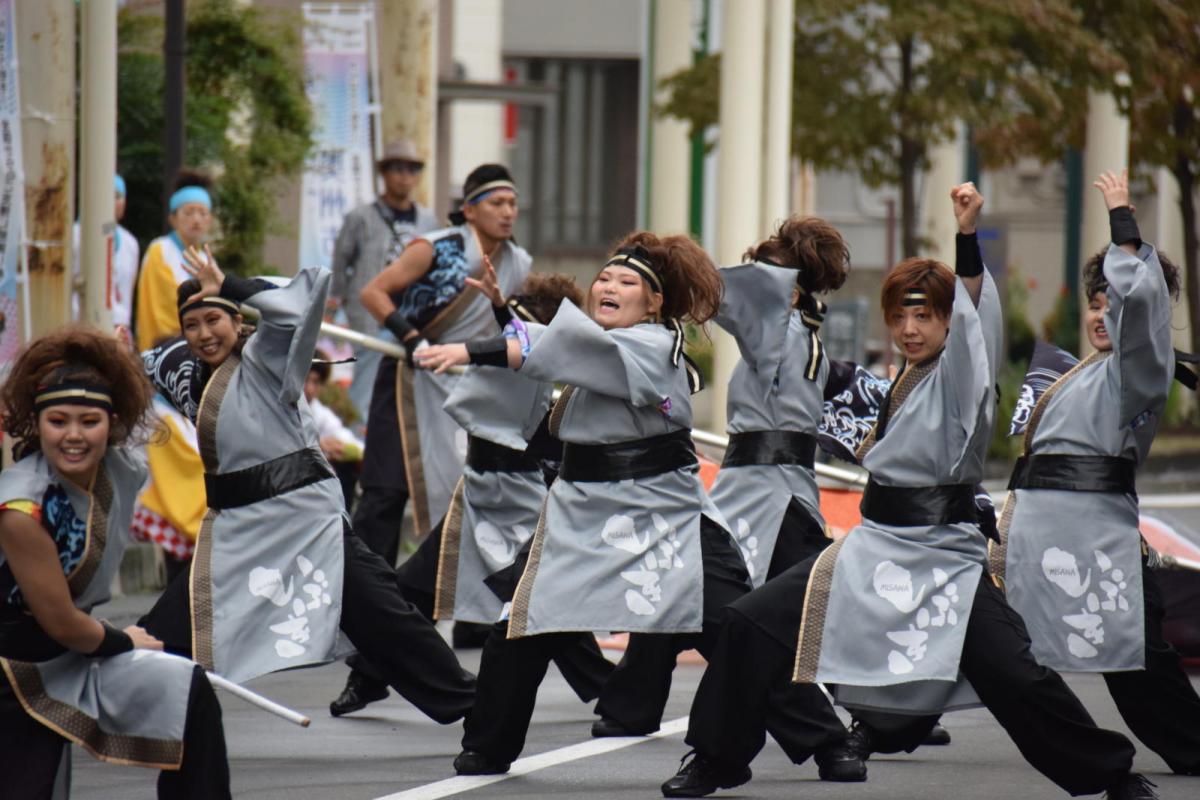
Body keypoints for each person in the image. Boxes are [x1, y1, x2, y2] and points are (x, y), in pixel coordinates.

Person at [660, 183, 1158, 800]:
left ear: (952, 321)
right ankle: (718, 758)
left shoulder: (960, 372)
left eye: (925, 315)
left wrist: (967, 238)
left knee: (1019, 679)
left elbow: (977, 319)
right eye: (899, 315)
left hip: (944, 555)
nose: (909, 328)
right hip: (875, 546)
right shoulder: (909, 375)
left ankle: (1112, 772)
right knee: (748, 622)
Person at [416, 232, 850, 779]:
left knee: (731, 626)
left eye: (628, 282)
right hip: (581, 511)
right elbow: (549, 344)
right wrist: (502, 310)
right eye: (604, 278)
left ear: (656, 304)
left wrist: (468, 349)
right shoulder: (596, 344)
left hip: (664, 513)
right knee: (519, 627)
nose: (608, 286)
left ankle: (827, 738)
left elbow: (547, 350)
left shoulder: (652, 345)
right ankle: (488, 743)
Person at [136, 245, 476, 726]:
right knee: (171, 624)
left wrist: (229, 283)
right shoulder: (185, 371)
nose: (204, 334)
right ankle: (125, 702)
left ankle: (473, 704)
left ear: (239, 322)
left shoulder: (268, 356)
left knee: (385, 616)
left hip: (304, 520)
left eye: (215, 319)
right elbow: (141, 363)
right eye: (192, 325)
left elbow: (300, 299)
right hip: (239, 531)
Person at [589, 216, 864, 782]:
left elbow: (725, 291)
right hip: (756, 490)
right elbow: (717, 290)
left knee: (761, 615)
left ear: (789, 284)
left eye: (769, 272)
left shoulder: (794, 325)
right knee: (723, 610)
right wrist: (654, 265)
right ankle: (633, 705)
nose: (756, 281)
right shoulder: (775, 324)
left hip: (784, 491)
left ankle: (881, 714)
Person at [991, 169, 1200, 776]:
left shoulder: (1138, 372)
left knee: (1135, 657)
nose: (1103, 315)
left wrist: (1123, 225)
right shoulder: (1077, 372)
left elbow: (1142, 316)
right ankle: (883, 721)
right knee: (986, 639)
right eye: (1095, 304)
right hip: (1038, 530)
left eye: (1116, 303)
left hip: (1093, 533)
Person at [335, 273, 614, 719]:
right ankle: (369, 675)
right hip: (479, 489)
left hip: (518, 493)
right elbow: (514, 334)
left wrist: (463, 349)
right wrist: (502, 306)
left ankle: (609, 688)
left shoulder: (541, 351)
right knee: (411, 589)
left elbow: (520, 346)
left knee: (541, 595)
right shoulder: (518, 335)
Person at [329, 163, 530, 715]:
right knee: (385, 501)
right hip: (410, 385)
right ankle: (364, 619)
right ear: (469, 209)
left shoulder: (518, 264)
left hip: (473, 393)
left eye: (513, 202)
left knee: (468, 521)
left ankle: (382, 657)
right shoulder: (433, 248)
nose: (507, 212)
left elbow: (513, 335)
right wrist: (414, 338)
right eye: (496, 202)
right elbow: (373, 293)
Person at [0, 327, 231, 799]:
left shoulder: (118, 469)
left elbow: (170, 375)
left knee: (186, 692)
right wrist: (125, 639)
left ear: (114, 422)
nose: (73, 436)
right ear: (36, 423)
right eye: (58, 421)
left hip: (74, 654)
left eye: (89, 421)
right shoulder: (21, 510)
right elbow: (63, 623)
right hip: (14, 670)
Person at [329, 139, 439, 422]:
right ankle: (353, 441)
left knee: (409, 383)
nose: (405, 176)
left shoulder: (428, 221)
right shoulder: (361, 217)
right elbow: (341, 262)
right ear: (384, 173)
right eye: (397, 168)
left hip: (412, 316)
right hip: (370, 313)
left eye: (413, 169)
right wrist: (334, 305)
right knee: (367, 376)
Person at [135, 170, 216, 351]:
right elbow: (160, 306)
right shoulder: (160, 249)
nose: (196, 220)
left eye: (203, 213)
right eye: (189, 213)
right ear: (173, 218)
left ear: (210, 220)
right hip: (167, 344)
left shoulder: (206, 258)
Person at [72, 174, 141, 327]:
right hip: (79, 324)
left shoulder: (130, 242)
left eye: (118, 196)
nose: (112, 202)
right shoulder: (73, 235)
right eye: (106, 195)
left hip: (119, 327)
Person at [305, 351, 365, 508]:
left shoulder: (319, 412)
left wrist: (341, 448)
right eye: (305, 380)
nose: (309, 389)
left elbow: (351, 443)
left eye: (316, 382)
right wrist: (317, 445)